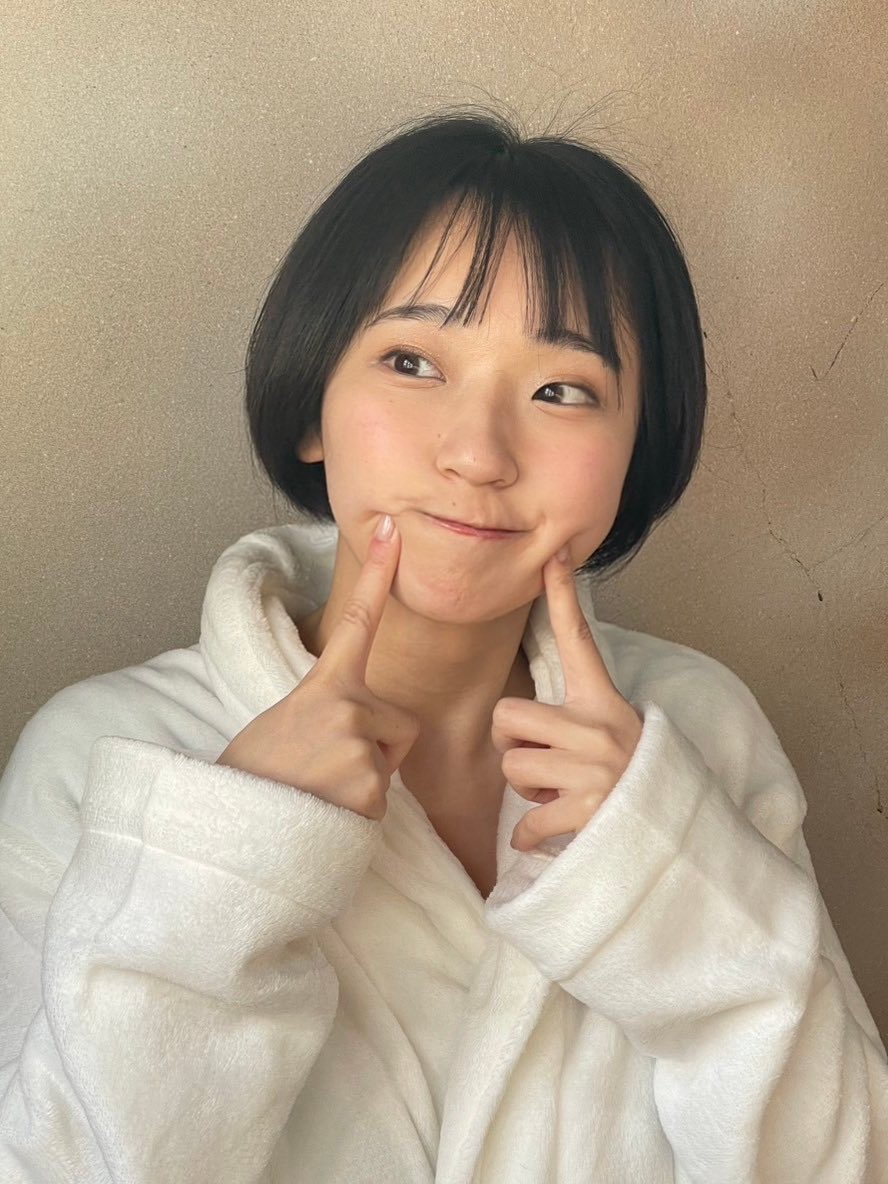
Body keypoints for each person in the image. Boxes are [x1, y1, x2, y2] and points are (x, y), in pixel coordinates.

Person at [0, 105, 886, 1183]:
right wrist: (224, 855)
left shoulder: (697, 729)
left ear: (634, 454)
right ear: (312, 406)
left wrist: (676, 882)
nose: (477, 453)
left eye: (561, 390)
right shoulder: (105, 751)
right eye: (413, 362)